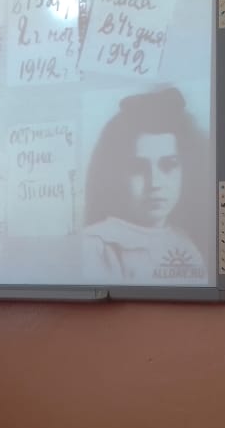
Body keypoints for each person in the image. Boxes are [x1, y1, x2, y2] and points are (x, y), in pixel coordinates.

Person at [82, 88, 210, 285]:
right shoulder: (99, 244)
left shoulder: (187, 242)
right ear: (116, 174)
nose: (155, 183)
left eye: (169, 166)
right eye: (138, 168)